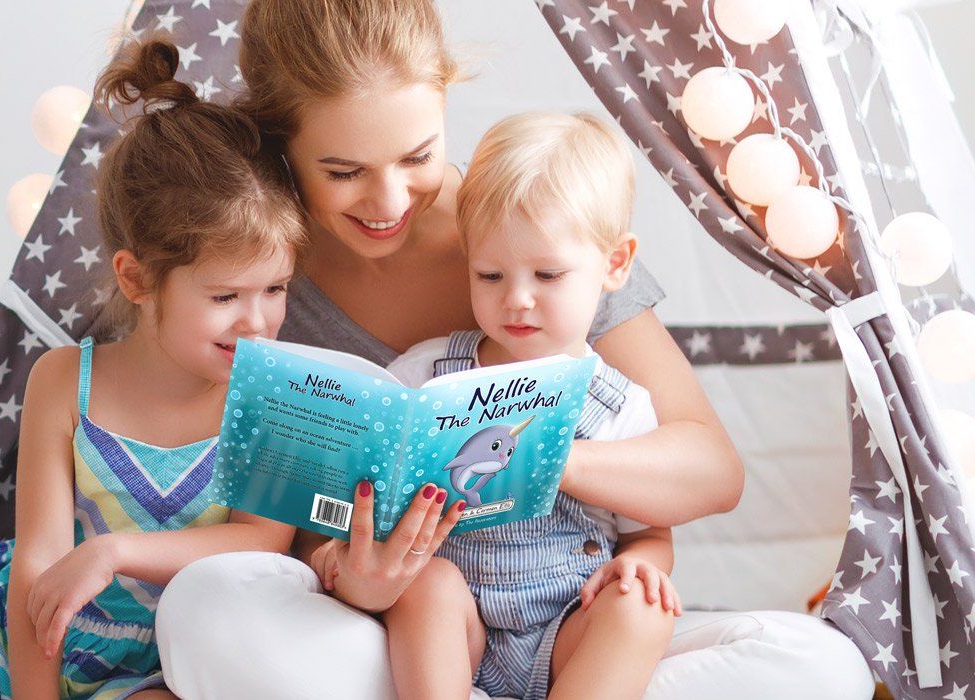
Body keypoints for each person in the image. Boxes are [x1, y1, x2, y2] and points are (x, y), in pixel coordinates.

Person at [154, 1, 874, 698]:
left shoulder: (533, 224)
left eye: (418, 156)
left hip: (569, 636)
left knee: (824, 669)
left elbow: (709, 472)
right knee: (206, 609)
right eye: (343, 172)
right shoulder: (262, 280)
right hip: (397, 635)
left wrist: (547, 458)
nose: (390, 199)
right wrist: (358, 574)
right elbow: (294, 527)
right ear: (284, 148)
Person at [0, 39, 306, 699]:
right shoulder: (65, 382)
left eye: (275, 288)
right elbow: (37, 569)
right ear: (137, 278)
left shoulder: (278, 395)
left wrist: (114, 551)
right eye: (224, 296)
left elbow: (261, 542)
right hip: (30, 638)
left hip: (168, 661)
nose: (257, 320)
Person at [364, 111, 681, 700]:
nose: (517, 300)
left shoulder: (620, 406)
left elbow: (648, 535)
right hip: (459, 627)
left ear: (614, 264)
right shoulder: (426, 373)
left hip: (569, 624)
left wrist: (644, 567)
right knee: (425, 583)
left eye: (548, 274)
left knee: (642, 608)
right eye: (490, 275)